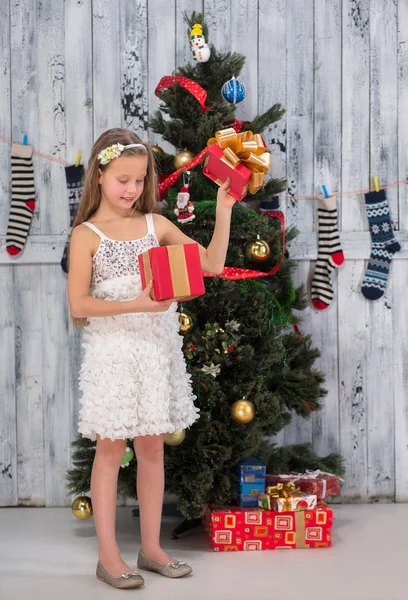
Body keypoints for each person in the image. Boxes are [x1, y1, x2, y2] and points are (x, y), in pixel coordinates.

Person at [68, 128, 235, 589]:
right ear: (99, 175)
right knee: (109, 449)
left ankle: (152, 548)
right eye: (123, 179)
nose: (132, 190)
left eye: (140, 181)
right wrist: (135, 305)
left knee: (152, 447)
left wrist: (223, 211)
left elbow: (213, 264)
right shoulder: (87, 235)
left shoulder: (155, 226)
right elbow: (79, 305)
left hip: (156, 352)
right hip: (114, 355)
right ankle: (107, 555)